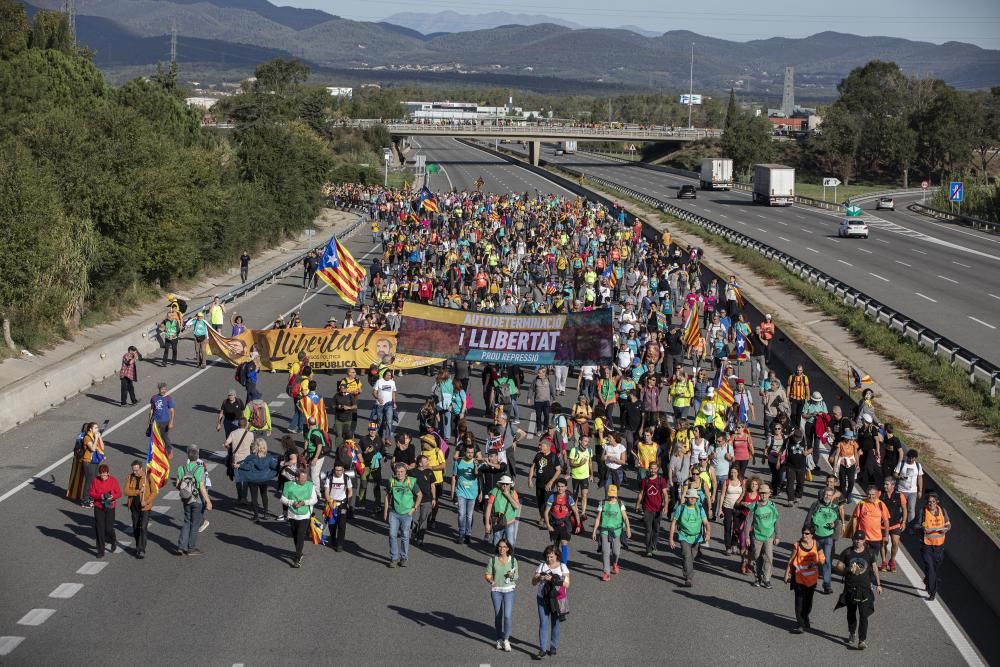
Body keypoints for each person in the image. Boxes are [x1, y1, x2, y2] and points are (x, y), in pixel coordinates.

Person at [834, 530, 883, 650]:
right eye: (856, 539)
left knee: (863, 615)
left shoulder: (869, 553)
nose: (858, 541)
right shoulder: (848, 552)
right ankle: (852, 632)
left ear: (864, 541)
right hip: (850, 588)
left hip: (865, 589)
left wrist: (878, 584)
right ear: (853, 540)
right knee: (851, 613)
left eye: (860, 539)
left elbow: (875, 568)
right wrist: (848, 569)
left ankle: (862, 640)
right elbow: (838, 566)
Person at [784, 526, 826, 633]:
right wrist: (787, 574)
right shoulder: (797, 545)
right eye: (803, 533)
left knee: (808, 602)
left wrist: (816, 562)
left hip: (811, 579)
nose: (804, 535)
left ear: (812, 535)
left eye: (807, 533)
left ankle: (805, 617)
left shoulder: (817, 545)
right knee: (799, 602)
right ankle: (800, 624)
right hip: (799, 579)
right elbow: (791, 560)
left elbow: (822, 559)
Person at [532, 545, 570, 659]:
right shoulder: (542, 566)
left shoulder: (563, 567)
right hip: (542, 598)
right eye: (547, 557)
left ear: (557, 556)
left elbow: (567, 584)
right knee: (543, 623)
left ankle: (553, 646)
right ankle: (542, 649)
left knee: (556, 624)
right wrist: (540, 578)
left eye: (551, 557)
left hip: (557, 600)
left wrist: (554, 579)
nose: (549, 559)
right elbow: (533, 582)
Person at [803, 486, 843, 594]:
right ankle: (808, 582)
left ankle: (827, 585)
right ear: (823, 494)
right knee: (812, 560)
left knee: (826, 561)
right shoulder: (815, 504)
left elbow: (837, 521)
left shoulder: (835, 506)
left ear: (832, 496)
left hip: (828, 538)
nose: (827, 497)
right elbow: (808, 519)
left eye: (830, 495)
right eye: (826, 494)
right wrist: (807, 534)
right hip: (815, 537)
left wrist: (834, 525)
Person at [669, 488, 711, 587]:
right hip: (684, 536)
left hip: (697, 537)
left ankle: (685, 565)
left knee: (691, 558)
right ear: (686, 498)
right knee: (687, 556)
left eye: (694, 498)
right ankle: (689, 577)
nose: (692, 499)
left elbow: (706, 522)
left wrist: (708, 532)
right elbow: (674, 523)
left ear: (696, 499)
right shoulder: (681, 508)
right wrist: (670, 538)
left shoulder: (700, 508)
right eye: (690, 497)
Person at [175, 446, 212, 556]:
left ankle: (181, 547)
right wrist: (208, 501)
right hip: (197, 500)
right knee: (194, 524)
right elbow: (201, 486)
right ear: (197, 456)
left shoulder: (181, 468)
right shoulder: (199, 469)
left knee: (186, 522)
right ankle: (191, 548)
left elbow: (177, 485)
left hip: (186, 499)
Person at [485, 538, 519, 652]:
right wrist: (490, 581)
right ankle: (499, 638)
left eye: (504, 547)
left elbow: (516, 576)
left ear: (508, 548)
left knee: (507, 616)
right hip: (496, 591)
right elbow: (488, 574)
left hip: (509, 590)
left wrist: (511, 575)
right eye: (500, 547)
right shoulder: (493, 560)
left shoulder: (513, 561)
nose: (501, 549)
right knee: (498, 615)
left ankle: (506, 640)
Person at [384, 462, 421, 567]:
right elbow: (387, 496)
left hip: (406, 513)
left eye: (402, 472)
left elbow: (419, 495)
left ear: (406, 473)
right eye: (397, 472)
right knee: (392, 535)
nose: (399, 474)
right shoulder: (391, 481)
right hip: (394, 513)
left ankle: (403, 558)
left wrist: (414, 508)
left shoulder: (411, 482)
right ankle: (394, 558)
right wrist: (385, 511)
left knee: (405, 535)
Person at [592, 484, 631, 582]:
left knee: (616, 552)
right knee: (605, 552)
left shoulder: (619, 503)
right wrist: (594, 531)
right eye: (611, 495)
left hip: (617, 531)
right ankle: (606, 572)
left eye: (614, 495)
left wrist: (628, 529)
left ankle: (615, 563)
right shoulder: (603, 503)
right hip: (604, 531)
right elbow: (598, 518)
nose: (612, 497)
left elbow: (625, 518)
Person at [744, 483, 780, 588]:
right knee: (756, 557)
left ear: (769, 494)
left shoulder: (772, 506)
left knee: (768, 558)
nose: (763, 495)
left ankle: (766, 579)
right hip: (757, 536)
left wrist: (778, 536)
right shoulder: (754, 506)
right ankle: (757, 578)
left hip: (769, 536)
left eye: (765, 493)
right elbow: (748, 522)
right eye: (762, 493)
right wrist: (747, 537)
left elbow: (776, 521)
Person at [235, 438, 279, 523]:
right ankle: (266, 513)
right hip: (264, 479)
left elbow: (248, 467)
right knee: (264, 495)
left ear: (255, 446)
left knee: (254, 497)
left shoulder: (251, 458)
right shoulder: (269, 457)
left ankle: (256, 516)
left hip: (253, 479)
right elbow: (274, 466)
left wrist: (239, 466)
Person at [281, 467, 316, 568]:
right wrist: (291, 502)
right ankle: (299, 553)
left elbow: (314, 499)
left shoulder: (310, 485)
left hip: (305, 515)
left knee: (301, 536)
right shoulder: (288, 485)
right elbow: (282, 499)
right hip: (292, 515)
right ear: (296, 478)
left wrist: (304, 502)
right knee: (296, 536)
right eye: (302, 479)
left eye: (305, 479)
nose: (304, 481)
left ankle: (297, 559)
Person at [123, 459, 158, 558]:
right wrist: (137, 492)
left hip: (145, 507)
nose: (135, 472)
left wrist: (146, 501)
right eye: (133, 470)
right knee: (135, 527)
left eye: (137, 470)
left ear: (141, 468)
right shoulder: (130, 477)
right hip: (134, 506)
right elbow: (125, 491)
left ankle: (141, 549)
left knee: (143, 527)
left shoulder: (147, 477)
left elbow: (154, 492)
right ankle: (138, 545)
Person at [920, 492, 950, 601]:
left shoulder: (942, 510)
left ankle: (928, 580)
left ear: (937, 502)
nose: (931, 504)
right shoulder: (923, 512)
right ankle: (932, 592)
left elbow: (948, 524)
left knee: (935, 568)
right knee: (931, 567)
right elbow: (917, 524)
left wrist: (946, 529)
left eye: (933, 501)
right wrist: (923, 527)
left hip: (939, 545)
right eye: (929, 502)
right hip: (927, 544)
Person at [544, 479, 581, 565]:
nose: (560, 488)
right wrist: (548, 525)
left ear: (566, 487)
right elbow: (546, 512)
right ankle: (555, 562)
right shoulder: (552, 497)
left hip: (565, 523)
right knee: (556, 544)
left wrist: (578, 525)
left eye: (562, 486)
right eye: (558, 486)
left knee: (564, 543)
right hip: (555, 523)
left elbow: (575, 511)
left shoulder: (569, 498)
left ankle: (564, 563)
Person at [635, 462, 669, 557]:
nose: (652, 470)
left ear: (657, 469)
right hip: (647, 508)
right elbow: (641, 493)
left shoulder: (661, 480)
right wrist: (637, 505)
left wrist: (665, 506)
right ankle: (648, 549)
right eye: (651, 468)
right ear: (648, 469)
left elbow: (665, 495)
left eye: (654, 468)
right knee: (648, 530)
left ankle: (654, 545)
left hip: (658, 509)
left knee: (656, 529)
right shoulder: (645, 481)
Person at [88, 463, 121, 558]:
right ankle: (100, 550)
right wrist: (100, 496)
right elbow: (91, 493)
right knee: (99, 529)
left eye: (105, 474)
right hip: (99, 507)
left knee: (109, 528)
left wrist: (112, 496)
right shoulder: (95, 481)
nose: (103, 476)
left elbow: (119, 493)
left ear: (108, 473)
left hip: (110, 507)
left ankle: (113, 539)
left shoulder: (113, 480)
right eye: (101, 474)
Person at [852, 485, 889, 568]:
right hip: (863, 538)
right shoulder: (861, 504)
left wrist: (886, 535)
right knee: (861, 558)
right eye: (869, 494)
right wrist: (855, 533)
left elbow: (886, 521)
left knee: (873, 560)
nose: (871, 496)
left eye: (873, 494)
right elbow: (855, 518)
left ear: (877, 495)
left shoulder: (881, 505)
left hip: (876, 538)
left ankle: (870, 575)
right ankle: (861, 575)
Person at [451, 444, 480, 545]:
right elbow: (454, 476)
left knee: (469, 516)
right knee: (461, 514)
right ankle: (461, 534)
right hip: (461, 492)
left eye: (472, 453)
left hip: (472, 493)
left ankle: (468, 534)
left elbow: (477, 475)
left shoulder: (476, 462)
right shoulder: (458, 461)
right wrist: (452, 491)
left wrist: (476, 465)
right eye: (468, 452)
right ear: (464, 452)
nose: (470, 454)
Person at [528, 439, 561, 524]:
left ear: (547, 447)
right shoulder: (538, 455)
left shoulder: (553, 457)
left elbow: (558, 470)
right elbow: (533, 467)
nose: (539, 447)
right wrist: (530, 480)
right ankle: (542, 516)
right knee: (539, 502)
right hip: (539, 483)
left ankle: (548, 520)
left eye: (541, 445)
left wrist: (551, 482)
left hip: (549, 485)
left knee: (547, 502)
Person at [322, 462, 352, 551]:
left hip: (342, 504)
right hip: (331, 503)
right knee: (332, 524)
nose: (338, 472)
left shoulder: (346, 478)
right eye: (336, 470)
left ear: (343, 470)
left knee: (342, 524)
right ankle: (333, 539)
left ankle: (340, 544)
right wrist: (329, 501)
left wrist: (348, 503)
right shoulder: (330, 478)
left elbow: (350, 491)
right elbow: (326, 491)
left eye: (340, 470)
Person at [485, 475, 520, 549]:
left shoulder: (513, 493)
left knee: (511, 543)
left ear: (510, 485)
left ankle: (509, 558)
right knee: (496, 543)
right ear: (500, 484)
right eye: (503, 483)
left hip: (509, 522)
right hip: (498, 522)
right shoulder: (495, 491)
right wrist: (487, 524)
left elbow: (517, 506)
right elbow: (489, 508)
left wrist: (507, 495)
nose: (505, 486)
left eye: (507, 484)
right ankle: (497, 558)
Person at [880, 476, 907, 573]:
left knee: (895, 542)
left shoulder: (900, 496)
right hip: (883, 525)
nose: (884, 486)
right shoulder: (880, 494)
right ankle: (883, 561)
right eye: (884, 484)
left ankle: (892, 560)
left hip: (895, 524)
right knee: (884, 543)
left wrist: (903, 521)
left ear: (893, 485)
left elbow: (904, 509)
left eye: (887, 484)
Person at [224, 417, 253, 504]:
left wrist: (230, 448)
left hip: (236, 460)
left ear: (238, 424)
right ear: (246, 424)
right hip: (247, 459)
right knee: (246, 480)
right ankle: (244, 498)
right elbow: (252, 446)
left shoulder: (233, 433)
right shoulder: (250, 434)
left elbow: (226, 443)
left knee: (238, 480)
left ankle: (239, 498)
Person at [895, 448, 924, 533]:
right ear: (907, 456)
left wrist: (920, 490)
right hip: (901, 490)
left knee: (911, 509)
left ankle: (910, 527)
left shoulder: (918, 466)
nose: (911, 459)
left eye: (913, 458)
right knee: (900, 509)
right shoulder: (902, 464)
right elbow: (895, 474)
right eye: (909, 457)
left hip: (913, 492)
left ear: (915, 458)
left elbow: (920, 478)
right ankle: (900, 525)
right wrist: (899, 477)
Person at [716, 468, 744, 555]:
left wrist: (740, 502)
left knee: (736, 527)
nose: (733, 474)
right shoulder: (726, 482)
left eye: (735, 472)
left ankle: (734, 545)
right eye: (731, 472)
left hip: (738, 508)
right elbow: (722, 495)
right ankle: (728, 547)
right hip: (727, 507)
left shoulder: (742, 482)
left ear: (738, 473)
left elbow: (743, 494)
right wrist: (720, 509)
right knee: (727, 527)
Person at [411, 454, 437, 546]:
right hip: (415, 500)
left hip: (427, 500)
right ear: (420, 463)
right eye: (426, 461)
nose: (428, 463)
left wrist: (434, 498)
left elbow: (432, 485)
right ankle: (414, 532)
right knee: (414, 519)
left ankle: (420, 538)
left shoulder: (429, 472)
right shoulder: (412, 472)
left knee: (423, 520)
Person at [148, 382, 175, 450]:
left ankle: (169, 451)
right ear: (159, 389)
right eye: (162, 389)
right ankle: (156, 452)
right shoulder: (154, 398)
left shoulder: (168, 398)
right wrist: (149, 420)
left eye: (165, 389)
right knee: (154, 437)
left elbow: (172, 411)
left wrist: (171, 422)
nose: (164, 391)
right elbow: (151, 409)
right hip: (155, 420)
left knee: (164, 436)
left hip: (165, 421)